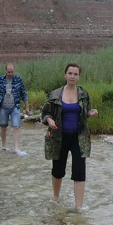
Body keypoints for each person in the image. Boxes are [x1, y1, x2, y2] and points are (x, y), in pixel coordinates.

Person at [41, 63, 98, 211]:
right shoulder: (55, 94)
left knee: (79, 170)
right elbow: (45, 113)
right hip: (59, 137)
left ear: (79, 77)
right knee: (58, 169)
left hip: (79, 137)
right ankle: (55, 196)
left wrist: (90, 113)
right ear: (65, 75)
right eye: (70, 73)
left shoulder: (83, 94)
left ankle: (78, 207)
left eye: (76, 74)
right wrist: (49, 120)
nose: (73, 76)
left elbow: (86, 111)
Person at [0, 64, 29, 155]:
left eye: (12, 72)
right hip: (3, 106)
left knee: (16, 126)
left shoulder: (18, 80)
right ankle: (4, 146)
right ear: (6, 71)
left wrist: (27, 106)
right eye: (9, 72)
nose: (10, 73)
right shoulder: (0, 80)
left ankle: (16, 148)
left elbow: (24, 93)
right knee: (3, 126)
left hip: (15, 106)